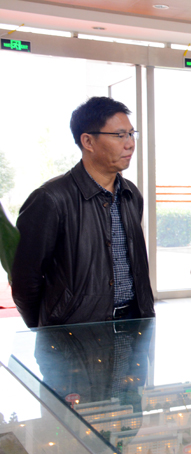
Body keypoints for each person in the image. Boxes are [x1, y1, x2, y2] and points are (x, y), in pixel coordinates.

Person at [11, 97, 154, 327]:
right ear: (88, 141)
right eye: (119, 135)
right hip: (75, 331)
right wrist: (45, 329)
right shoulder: (51, 198)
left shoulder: (131, 194)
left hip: (134, 322)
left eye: (131, 134)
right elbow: (24, 281)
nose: (129, 144)